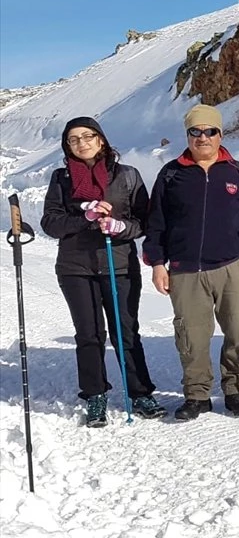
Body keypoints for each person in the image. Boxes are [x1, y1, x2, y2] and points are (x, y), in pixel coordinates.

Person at [143, 104, 239, 421]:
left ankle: (236, 390)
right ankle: (197, 394)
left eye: (210, 131)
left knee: (237, 329)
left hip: (232, 266)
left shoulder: (238, 172)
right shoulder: (172, 175)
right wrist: (158, 263)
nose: (203, 137)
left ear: (220, 134)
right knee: (191, 337)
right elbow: (155, 223)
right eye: (195, 132)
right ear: (187, 135)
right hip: (186, 270)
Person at [41, 117, 166, 427]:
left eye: (87, 136)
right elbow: (50, 223)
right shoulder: (61, 179)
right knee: (89, 334)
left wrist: (120, 227)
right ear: (67, 146)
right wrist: (86, 216)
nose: (81, 143)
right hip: (75, 267)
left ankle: (140, 393)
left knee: (125, 331)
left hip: (119, 264)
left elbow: (144, 222)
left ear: (100, 140)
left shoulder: (126, 176)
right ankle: (95, 394)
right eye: (73, 139)